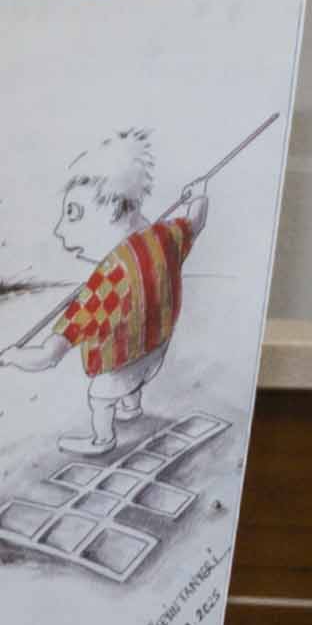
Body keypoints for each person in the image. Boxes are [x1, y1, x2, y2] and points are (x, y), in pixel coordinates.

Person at [0, 131, 208, 453]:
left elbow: (49, 356)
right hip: (156, 350)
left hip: (121, 367)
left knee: (100, 397)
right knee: (130, 379)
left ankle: (103, 439)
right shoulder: (164, 238)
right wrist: (200, 195)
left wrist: (12, 356)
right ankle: (131, 407)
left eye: (73, 213)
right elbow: (196, 221)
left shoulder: (104, 285)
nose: (59, 230)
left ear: (112, 208)